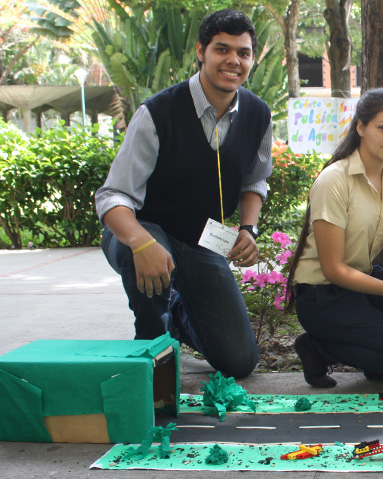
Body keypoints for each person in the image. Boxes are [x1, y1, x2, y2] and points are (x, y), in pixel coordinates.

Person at [95, 9, 272, 378]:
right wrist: (141, 244)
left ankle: (175, 313)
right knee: (145, 253)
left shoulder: (258, 114)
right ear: (201, 51)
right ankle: (152, 347)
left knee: (240, 361)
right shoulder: (157, 113)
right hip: (141, 230)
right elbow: (112, 196)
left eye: (243, 52)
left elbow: (255, 181)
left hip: (201, 238)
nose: (233, 61)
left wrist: (248, 228)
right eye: (222, 49)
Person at [285, 88, 383, 388]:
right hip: (322, 296)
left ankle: (380, 357)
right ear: (361, 127)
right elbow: (333, 269)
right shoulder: (334, 180)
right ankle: (315, 348)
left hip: (358, 287)